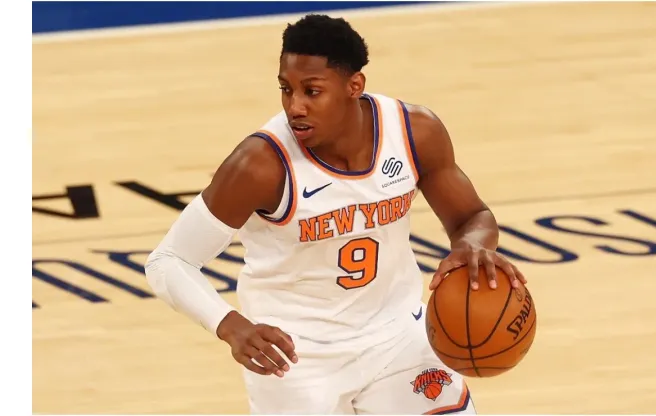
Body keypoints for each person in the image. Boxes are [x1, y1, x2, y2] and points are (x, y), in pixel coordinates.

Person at [144, 13, 527, 415]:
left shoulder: (415, 133)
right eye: (285, 89)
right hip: (294, 356)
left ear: (353, 86)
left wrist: (473, 245)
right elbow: (169, 260)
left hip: (398, 336)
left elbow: (472, 216)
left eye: (312, 91)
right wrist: (229, 325)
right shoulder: (260, 165)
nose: (296, 106)